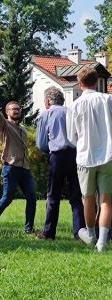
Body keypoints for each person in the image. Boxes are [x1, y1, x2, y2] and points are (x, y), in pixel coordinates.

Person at [67, 67, 112, 252]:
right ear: (97, 81)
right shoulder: (108, 99)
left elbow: (71, 136)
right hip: (108, 155)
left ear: (80, 82)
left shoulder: (75, 105)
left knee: (88, 198)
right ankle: (102, 241)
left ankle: (91, 235)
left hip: (85, 156)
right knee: (106, 200)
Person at [35, 86, 85, 240]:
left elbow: (41, 143)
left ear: (48, 101)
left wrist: (48, 151)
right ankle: (79, 233)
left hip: (57, 156)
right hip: (75, 155)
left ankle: (49, 232)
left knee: (53, 195)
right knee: (76, 196)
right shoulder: (71, 112)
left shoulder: (46, 114)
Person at [0, 97, 36, 234]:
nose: (17, 111)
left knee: (32, 198)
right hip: (11, 167)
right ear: (7, 112)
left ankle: (29, 229)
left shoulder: (23, 128)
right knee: (7, 199)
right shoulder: (4, 125)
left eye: (18, 109)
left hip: (25, 168)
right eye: (14, 109)